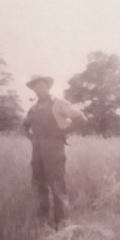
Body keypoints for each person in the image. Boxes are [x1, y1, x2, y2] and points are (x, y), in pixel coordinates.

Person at [22, 75, 86, 226]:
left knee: (57, 186)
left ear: (48, 87)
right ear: (33, 90)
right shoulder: (33, 108)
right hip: (37, 151)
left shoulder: (59, 103)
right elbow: (24, 124)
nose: (39, 89)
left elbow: (81, 119)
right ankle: (43, 221)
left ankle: (61, 224)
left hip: (54, 149)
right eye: (35, 87)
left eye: (41, 85)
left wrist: (63, 132)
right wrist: (31, 137)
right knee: (38, 184)